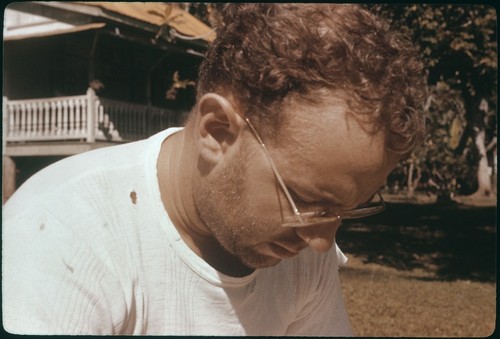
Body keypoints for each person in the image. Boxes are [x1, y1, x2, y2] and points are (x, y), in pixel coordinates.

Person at [2, 4, 427, 335]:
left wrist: (312, 205)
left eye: (345, 211)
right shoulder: (60, 235)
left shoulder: (299, 239)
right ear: (216, 131)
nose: (321, 242)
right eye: (306, 200)